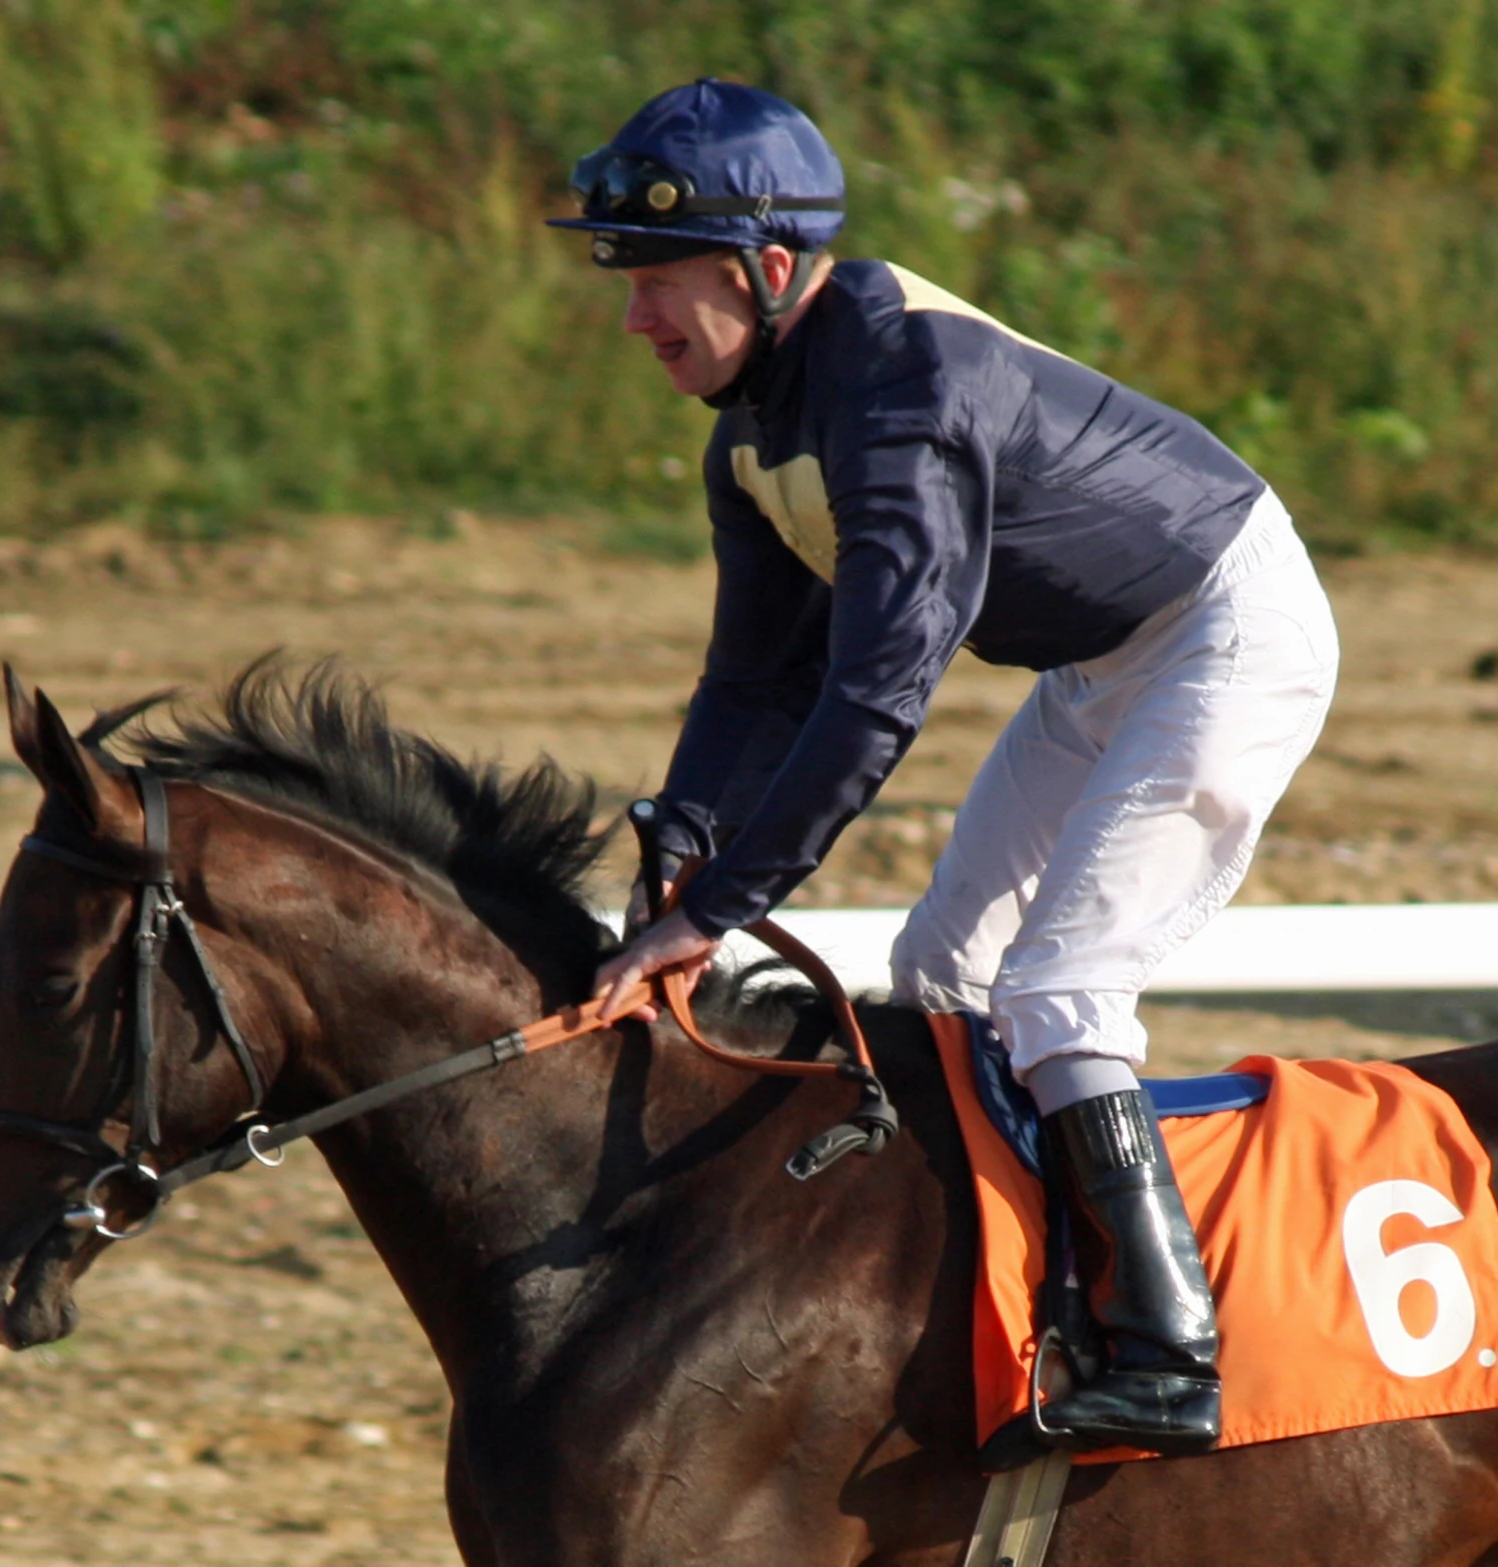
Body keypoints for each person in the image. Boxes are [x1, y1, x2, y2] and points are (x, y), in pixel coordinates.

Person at [567, 79, 1340, 1465]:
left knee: (1056, 982)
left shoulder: (899, 387)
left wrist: (724, 907)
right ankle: (1024, 1304)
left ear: (770, 268)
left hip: (1226, 627)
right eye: (623, 282)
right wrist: (675, 848)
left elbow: (874, 692)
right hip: (1101, 663)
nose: (632, 319)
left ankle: (1170, 1349)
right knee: (940, 972)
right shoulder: (747, 438)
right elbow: (755, 680)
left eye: (658, 282)